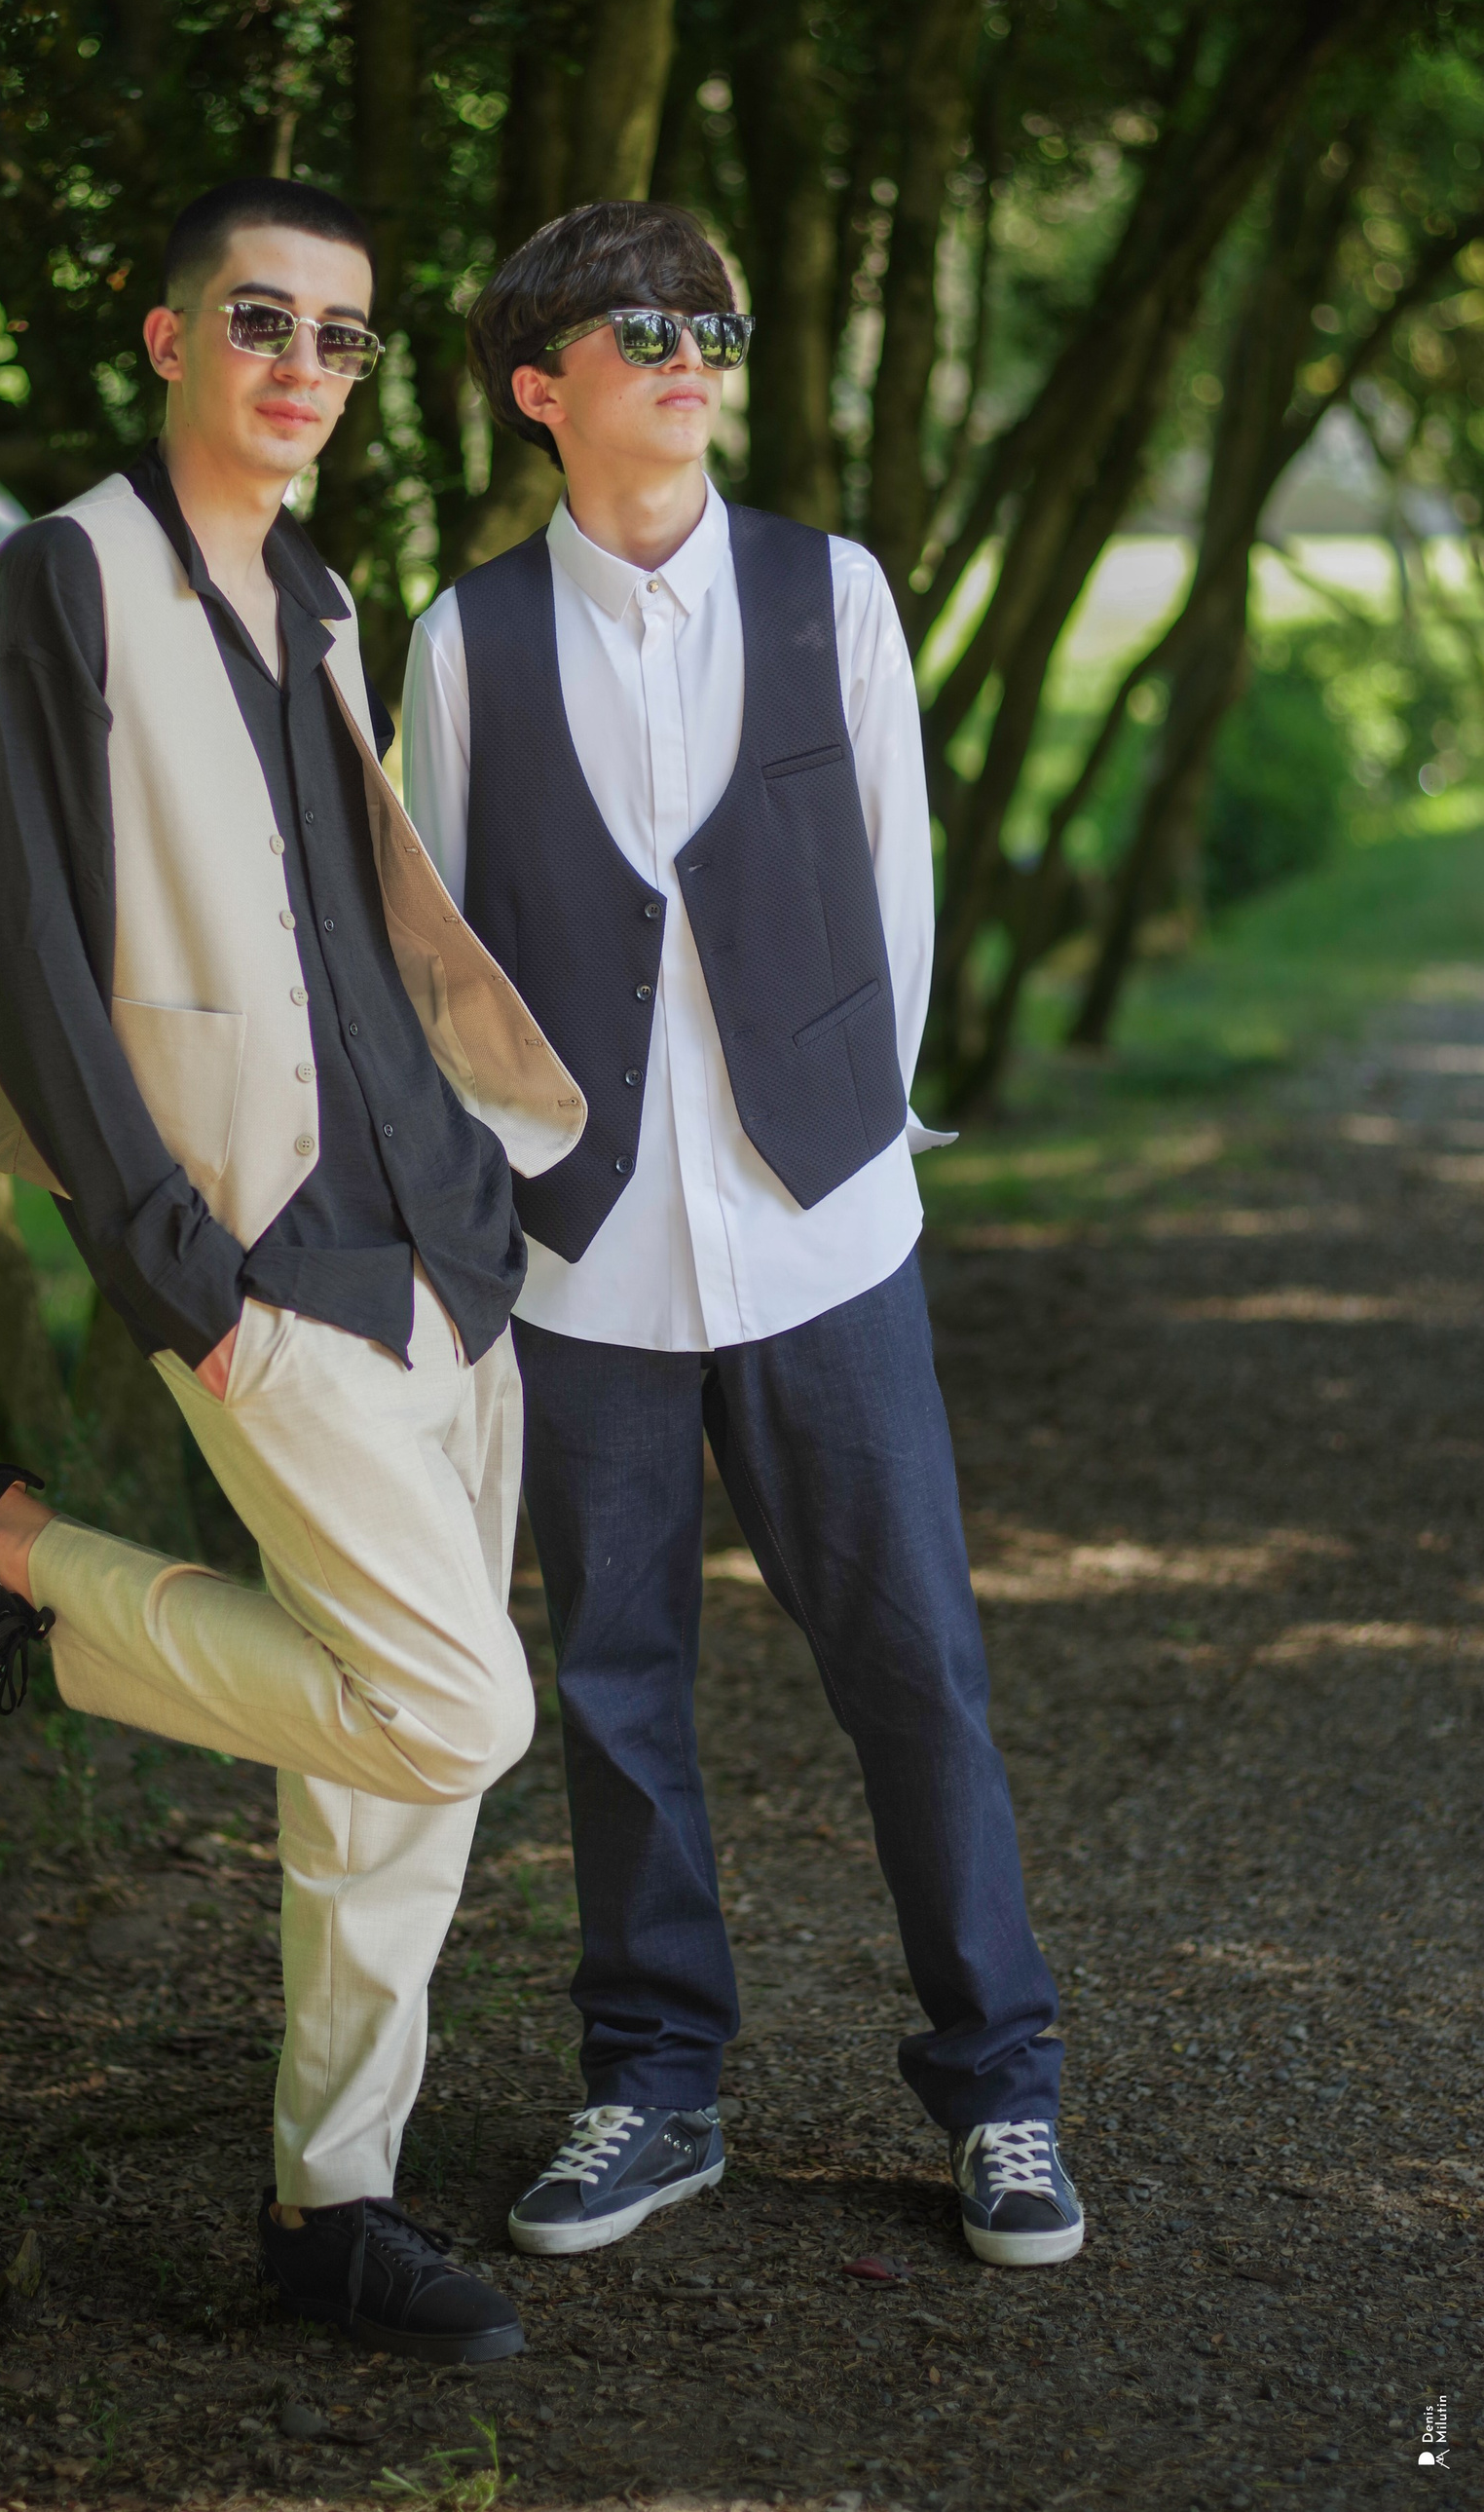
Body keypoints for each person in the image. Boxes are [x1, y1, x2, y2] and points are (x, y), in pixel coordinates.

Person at [0, 175, 586, 2366]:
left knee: (384, 1782)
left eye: (341, 337)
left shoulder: (324, 595)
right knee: (456, 1706)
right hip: (257, 1259)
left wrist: (482, 1185)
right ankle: (0, 1559)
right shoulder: (65, 579)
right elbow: (23, 959)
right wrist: (175, 1271)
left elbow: (356, 927)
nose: (304, 365)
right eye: (262, 320)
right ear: (172, 337)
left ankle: (330, 2205)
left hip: (443, 1243)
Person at [401, 199, 1082, 2271]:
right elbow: (447, 967)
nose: (692, 352)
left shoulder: (830, 591)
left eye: (715, 321)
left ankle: (1006, 2091)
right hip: (582, 1255)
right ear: (542, 387)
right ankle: (655, 2084)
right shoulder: (466, 641)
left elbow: (894, 889)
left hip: (823, 1237)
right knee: (617, 1686)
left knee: (917, 1666)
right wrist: (508, 1201)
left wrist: (852, 1134)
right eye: (645, 327)